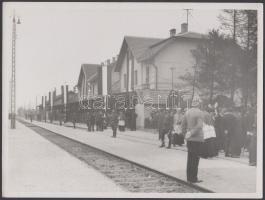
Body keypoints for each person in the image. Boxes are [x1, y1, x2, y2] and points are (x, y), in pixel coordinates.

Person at [181, 99, 204, 183]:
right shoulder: (200, 113)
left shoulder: (187, 112)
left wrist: (185, 135)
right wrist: (191, 132)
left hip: (189, 139)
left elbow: (182, 125)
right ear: (199, 104)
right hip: (197, 139)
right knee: (195, 159)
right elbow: (199, 126)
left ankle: (189, 177)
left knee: (190, 158)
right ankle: (194, 178)